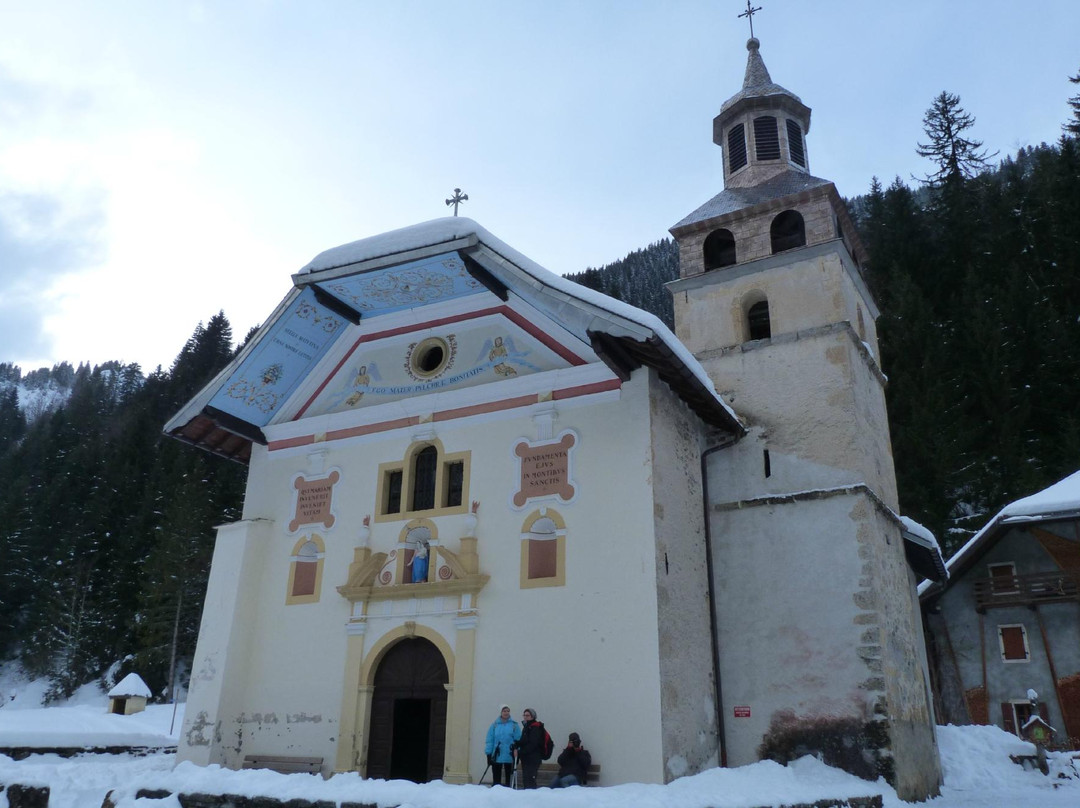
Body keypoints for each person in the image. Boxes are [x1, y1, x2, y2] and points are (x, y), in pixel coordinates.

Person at [483, 704, 520, 787]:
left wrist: (518, 753)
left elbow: (518, 740)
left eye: (508, 711)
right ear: (501, 712)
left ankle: (509, 790)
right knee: (496, 776)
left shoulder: (514, 725)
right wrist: (488, 754)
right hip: (497, 754)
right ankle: (496, 790)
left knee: (508, 776)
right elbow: (490, 740)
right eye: (504, 711)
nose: (506, 713)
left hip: (509, 754)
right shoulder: (495, 725)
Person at [517, 707, 546, 789]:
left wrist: (521, 752)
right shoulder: (526, 727)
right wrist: (517, 743)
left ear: (532, 717)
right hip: (526, 758)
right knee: (526, 779)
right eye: (524, 715)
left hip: (533, 758)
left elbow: (533, 744)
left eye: (527, 715)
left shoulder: (535, 728)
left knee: (530, 779)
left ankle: (532, 797)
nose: (525, 717)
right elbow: (524, 741)